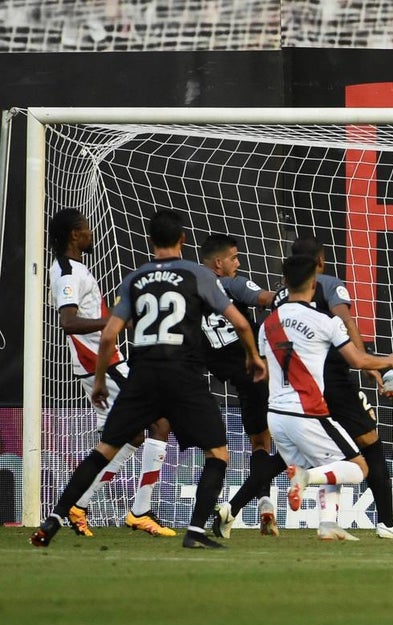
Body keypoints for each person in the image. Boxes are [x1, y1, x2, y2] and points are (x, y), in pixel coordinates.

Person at [31, 208, 267, 549]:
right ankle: (196, 532)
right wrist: (253, 358)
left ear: (151, 242)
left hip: (142, 374)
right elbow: (242, 324)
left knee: (104, 449)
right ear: (182, 240)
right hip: (183, 375)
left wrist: (99, 381)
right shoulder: (197, 274)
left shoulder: (135, 279)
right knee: (217, 453)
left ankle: (54, 519)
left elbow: (111, 334)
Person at [278, 236, 393, 540]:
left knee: (319, 453)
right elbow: (345, 323)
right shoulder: (328, 284)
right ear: (320, 261)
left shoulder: (283, 297)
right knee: (370, 446)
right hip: (334, 378)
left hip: (296, 385)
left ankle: (323, 522)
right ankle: (387, 523)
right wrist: (376, 366)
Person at [45, 208, 175, 538]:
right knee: (160, 421)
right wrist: (116, 320)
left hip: (102, 362)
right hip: (102, 364)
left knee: (128, 436)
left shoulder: (75, 268)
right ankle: (141, 511)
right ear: (75, 234)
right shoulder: (66, 272)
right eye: (86, 229)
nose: (91, 233)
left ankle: (79, 505)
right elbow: (69, 322)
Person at [198, 233, 285, 538]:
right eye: (234, 258)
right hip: (262, 374)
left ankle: (264, 508)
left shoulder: (189, 289)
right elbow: (265, 299)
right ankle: (234, 507)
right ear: (219, 263)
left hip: (238, 380)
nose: (238, 263)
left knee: (260, 443)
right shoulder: (232, 284)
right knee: (301, 444)